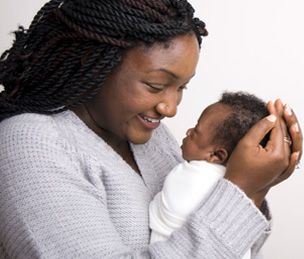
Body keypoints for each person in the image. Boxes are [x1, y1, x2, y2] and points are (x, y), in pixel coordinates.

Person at [0, 0, 302, 258]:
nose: (170, 109)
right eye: (156, 85)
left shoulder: (150, 136)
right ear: (93, 60)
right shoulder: (28, 145)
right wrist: (240, 190)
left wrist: (255, 189)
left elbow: (225, 244)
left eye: (181, 87)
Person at [149, 91, 270, 259]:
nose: (188, 131)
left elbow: (161, 209)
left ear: (217, 156)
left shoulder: (189, 175)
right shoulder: (243, 186)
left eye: (196, 131)